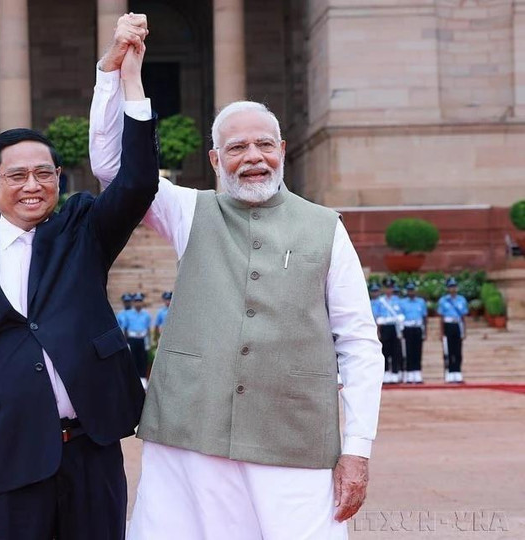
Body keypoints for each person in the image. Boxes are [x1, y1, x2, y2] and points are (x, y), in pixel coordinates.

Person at [89, 27, 383, 537]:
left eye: (264, 144)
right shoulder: (187, 209)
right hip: (190, 429)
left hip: (293, 434)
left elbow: (359, 343)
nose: (253, 157)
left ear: (283, 149)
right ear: (215, 160)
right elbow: (116, 169)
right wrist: (113, 77)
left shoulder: (325, 227)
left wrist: (356, 451)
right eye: (237, 147)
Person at [0, 15, 156, 538]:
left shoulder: (82, 232)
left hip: (91, 452)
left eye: (45, 173)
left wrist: (122, 79)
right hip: (2, 459)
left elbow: (138, 182)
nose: (33, 185)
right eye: (18, 175)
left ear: (58, 180)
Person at [372, 280, 404, 384]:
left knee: (395, 351)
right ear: (384, 289)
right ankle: (385, 373)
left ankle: (395, 373)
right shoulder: (380, 302)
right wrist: (378, 331)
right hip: (384, 327)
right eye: (387, 288)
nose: (388, 290)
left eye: (390, 288)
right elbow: (377, 317)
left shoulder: (398, 301)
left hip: (394, 327)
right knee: (385, 351)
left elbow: (402, 315)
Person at [438, 277, 468, 383]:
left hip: (457, 324)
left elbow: (464, 317)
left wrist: (464, 331)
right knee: (449, 350)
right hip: (448, 325)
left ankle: (458, 372)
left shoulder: (461, 300)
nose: (453, 289)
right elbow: (441, 318)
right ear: (447, 288)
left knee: (458, 350)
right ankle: (450, 372)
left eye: (454, 286)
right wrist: (441, 332)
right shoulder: (443, 300)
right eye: (450, 287)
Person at [399, 282, 427, 384]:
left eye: (413, 290)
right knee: (409, 351)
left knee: (418, 351)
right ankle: (410, 374)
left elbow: (424, 317)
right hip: (408, 327)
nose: (411, 292)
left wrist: (425, 331)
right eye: (409, 290)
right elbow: (400, 317)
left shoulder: (421, 302)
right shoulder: (403, 302)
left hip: (418, 327)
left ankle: (417, 373)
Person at [124, 292, 152, 385]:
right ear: (133, 302)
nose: (138, 303)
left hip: (142, 338)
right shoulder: (128, 314)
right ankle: (134, 379)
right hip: (132, 338)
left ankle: (143, 379)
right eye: (136, 301)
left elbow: (148, 329)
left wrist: (148, 342)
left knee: (143, 359)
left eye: (140, 301)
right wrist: (126, 342)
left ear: (142, 302)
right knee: (133, 359)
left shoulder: (146, 315)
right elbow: (125, 329)